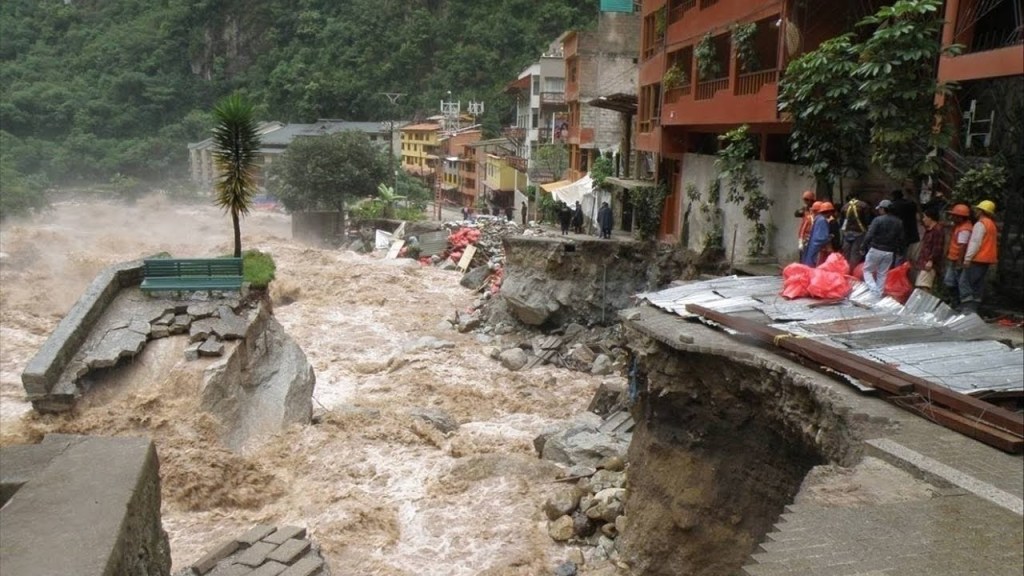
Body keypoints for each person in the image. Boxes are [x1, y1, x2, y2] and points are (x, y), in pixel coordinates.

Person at [959, 200, 999, 313]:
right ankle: (974, 310)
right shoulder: (991, 224)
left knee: (964, 282)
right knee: (978, 284)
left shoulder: (980, 224)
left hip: (977, 258)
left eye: (977, 209)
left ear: (981, 211)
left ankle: (967, 310)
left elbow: (975, 242)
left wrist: (967, 259)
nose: (975, 211)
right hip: (986, 260)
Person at [861, 199, 905, 297]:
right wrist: (900, 250)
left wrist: (863, 246)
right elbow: (901, 238)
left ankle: (874, 291)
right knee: (882, 274)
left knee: (867, 271)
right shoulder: (899, 222)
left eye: (880, 209)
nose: (879, 211)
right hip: (890, 252)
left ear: (883, 209)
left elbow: (869, 234)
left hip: (876, 249)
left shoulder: (878, 220)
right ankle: (878, 295)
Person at [943, 203, 973, 308]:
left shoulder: (964, 229)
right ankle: (955, 302)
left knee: (954, 282)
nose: (952, 217)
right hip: (954, 259)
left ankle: (958, 304)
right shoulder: (960, 226)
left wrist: (959, 261)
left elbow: (962, 246)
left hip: (957, 260)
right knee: (951, 281)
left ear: (960, 217)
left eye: (955, 216)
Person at [913, 207, 944, 293]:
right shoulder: (929, 230)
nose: (923, 219)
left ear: (930, 218)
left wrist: (931, 260)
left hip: (929, 263)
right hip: (924, 261)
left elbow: (937, 247)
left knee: (924, 285)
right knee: (921, 284)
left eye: (925, 217)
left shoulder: (937, 230)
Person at [840, 191, 872, 269]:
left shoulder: (844, 207)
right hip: (859, 232)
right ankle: (852, 272)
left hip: (847, 233)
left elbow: (842, 221)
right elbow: (868, 220)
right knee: (855, 253)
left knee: (846, 253)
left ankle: (845, 271)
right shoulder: (864, 205)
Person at [889, 189, 919, 262]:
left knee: (894, 254)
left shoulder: (893, 205)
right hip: (910, 233)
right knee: (903, 254)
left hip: (897, 234)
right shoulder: (911, 204)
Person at [802, 201, 834, 267]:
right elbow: (822, 238)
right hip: (818, 249)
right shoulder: (822, 220)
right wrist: (830, 237)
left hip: (813, 247)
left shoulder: (818, 219)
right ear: (829, 212)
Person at [795, 190, 815, 261]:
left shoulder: (814, 210)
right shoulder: (805, 209)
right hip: (804, 235)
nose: (805, 202)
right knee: (802, 255)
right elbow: (796, 214)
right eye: (805, 200)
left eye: (807, 200)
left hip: (811, 235)